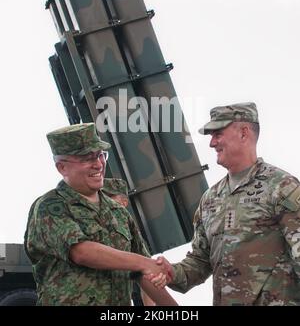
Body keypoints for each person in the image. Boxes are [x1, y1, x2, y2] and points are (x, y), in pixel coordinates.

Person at [149, 102, 300, 306]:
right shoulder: (211, 198)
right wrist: (171, 272)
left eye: (218, 133)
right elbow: (200, 261)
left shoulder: (282, 187)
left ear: (244, 133)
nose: (212, 143)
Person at [24, 123, 177, 306]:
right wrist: (142, 263)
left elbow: (145, 274)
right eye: (86, 159)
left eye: (100, 155)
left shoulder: (118, 212)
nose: (98, 164)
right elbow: (81, 252)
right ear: (62, 168)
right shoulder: (49, 207)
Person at [102, 177, 156, 306]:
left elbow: (147, 275)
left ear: (124, 202)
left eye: (110, 196)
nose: (104, 201)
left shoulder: (130, 234)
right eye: (101, 196)